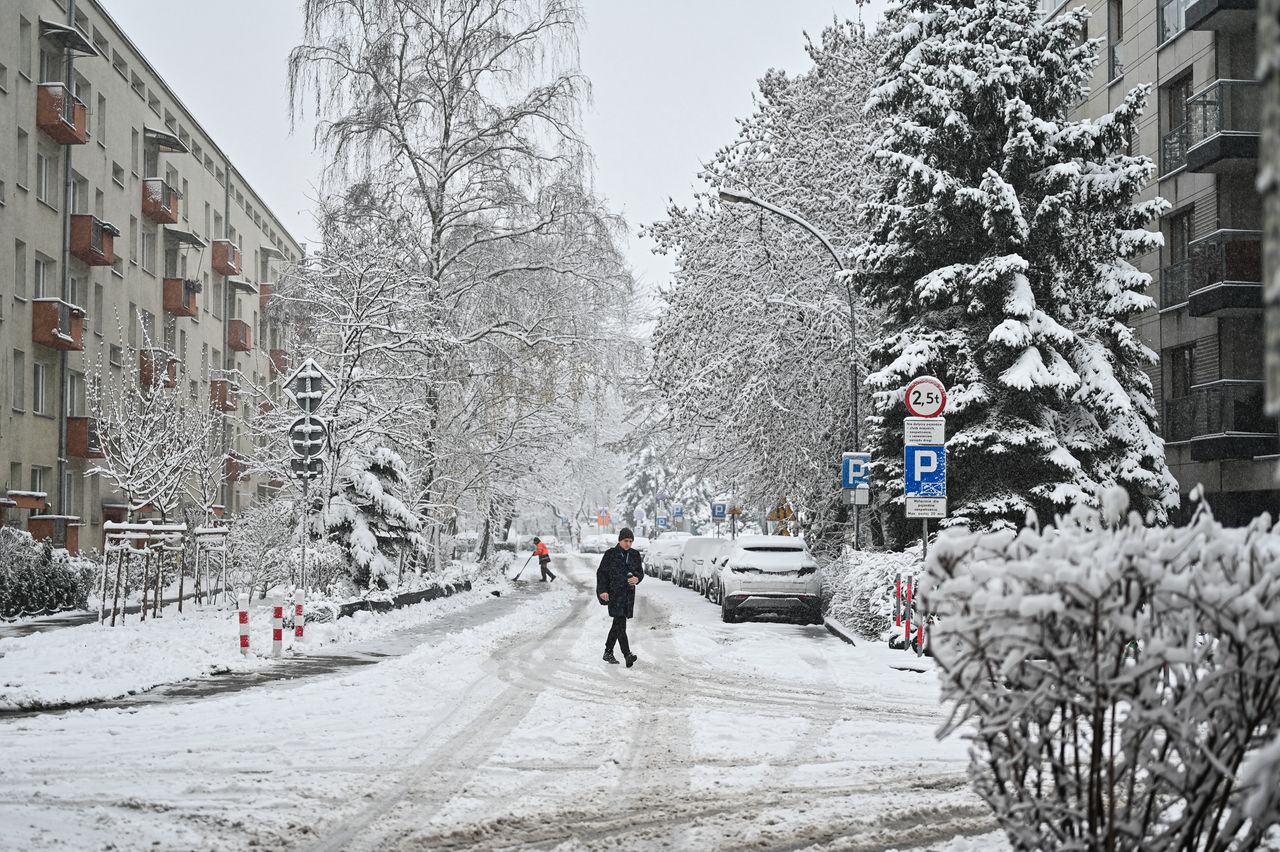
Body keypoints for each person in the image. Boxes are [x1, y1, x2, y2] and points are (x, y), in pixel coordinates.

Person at [596, 528, 643, 667]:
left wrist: (637, 579)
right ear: (619, 540)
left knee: (618, 622)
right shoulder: (610, 554)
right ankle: (627, 654)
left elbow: (640, 572)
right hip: (614, 593)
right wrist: (602, 590)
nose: (628, 544)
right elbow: (601, 574)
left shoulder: (635, 555)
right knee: (620, 623)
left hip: (628, 594)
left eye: (630, 541)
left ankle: (608, 651)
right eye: (625, 541)